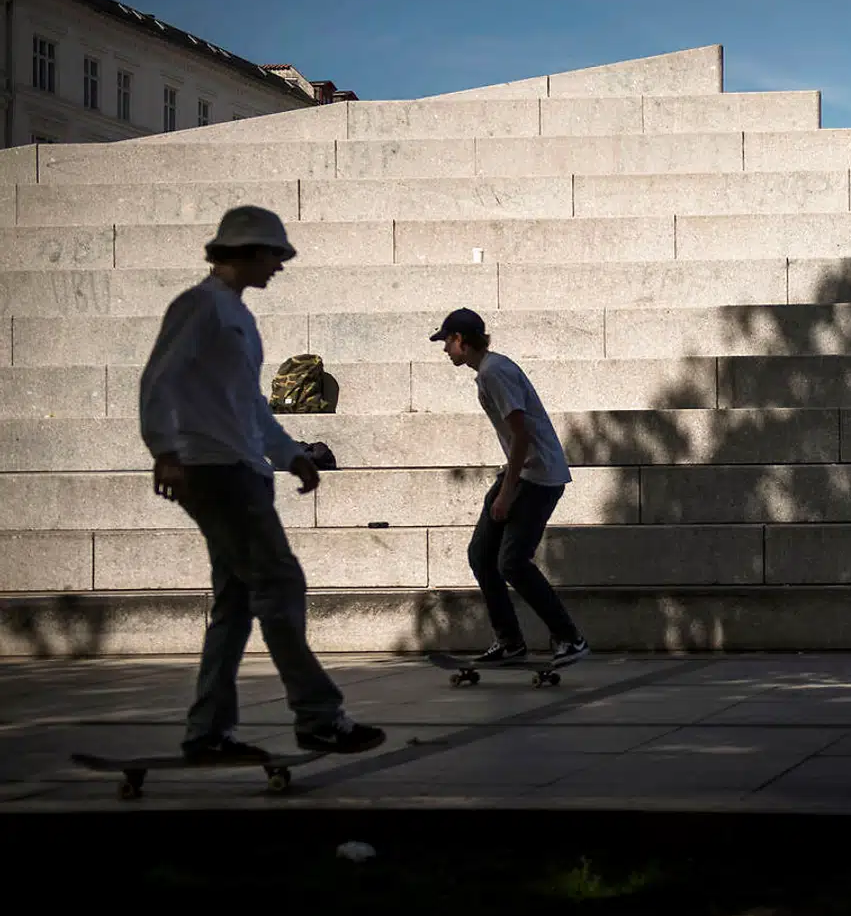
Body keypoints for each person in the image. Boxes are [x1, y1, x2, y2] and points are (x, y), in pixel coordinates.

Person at [139, 205, 386, 763]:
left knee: (235, 602)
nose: (279, 265)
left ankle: (208, 731)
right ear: (246, 251)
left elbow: (250, 403)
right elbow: (159, 380)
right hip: (216, 470)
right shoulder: (199, 307)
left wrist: (288, 453)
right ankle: (319, 717)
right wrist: (165, 452)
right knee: (280, 584)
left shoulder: (238, 317)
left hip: (242, 467)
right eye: (274, 254)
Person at [430, 307, 590, 669]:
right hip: (523, 472)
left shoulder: (495, 373)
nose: (444, 351)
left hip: (539, 476)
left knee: (512, 562)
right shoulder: (489, 371)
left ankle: (570, 638)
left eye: (446, 342)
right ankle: (510, 642)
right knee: (481, 555)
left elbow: (521, 434)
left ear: (461, 340)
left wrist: (506, 492)